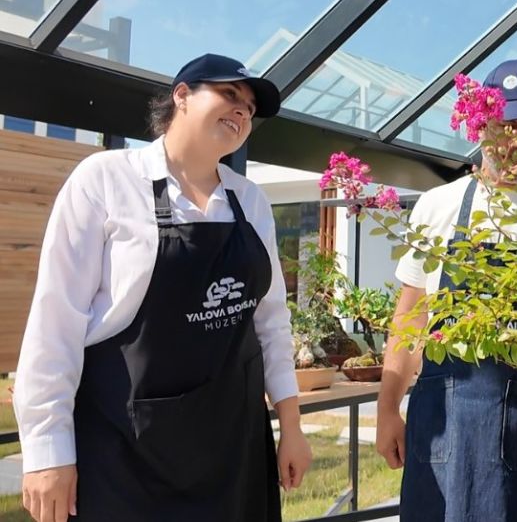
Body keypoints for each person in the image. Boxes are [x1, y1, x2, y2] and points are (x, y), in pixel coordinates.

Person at [14, 54, 312, 522]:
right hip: (125, 452)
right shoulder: (106, 180)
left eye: (250, 110)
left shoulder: (250, 201)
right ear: (182, 95)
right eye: (230, 96)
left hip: (233, 448)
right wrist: (47, 450)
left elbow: (271, 323)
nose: (241, 113)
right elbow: (57, 322)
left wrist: (290, 426)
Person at [376, 59, 517, 522]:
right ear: (482, 124)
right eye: (508, 126)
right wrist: (387, 408)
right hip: (446, 429)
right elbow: (411, 317)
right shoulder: (438, 206)